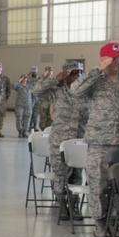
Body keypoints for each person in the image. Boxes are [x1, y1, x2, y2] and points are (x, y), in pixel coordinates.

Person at [70, 43, 119, 237]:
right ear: (104, 59)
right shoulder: (95, 81)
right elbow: (75, 90)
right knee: (99, 186)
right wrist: (97, 69)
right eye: (113, 58)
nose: (118, 62)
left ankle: (116, 223)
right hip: (100, 142)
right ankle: (100, 224)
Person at [33, 61, 89, 221]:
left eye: (79, 73)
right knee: (61, 175)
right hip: (60, 141)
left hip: (80, 140)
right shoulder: (56, 91)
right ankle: (62, 204)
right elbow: (36, 90)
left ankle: (74, 205)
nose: (76, 76)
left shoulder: (85, 92)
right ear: (65, 74)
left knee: (77, 175)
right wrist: (55, 79)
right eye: (73, 73)